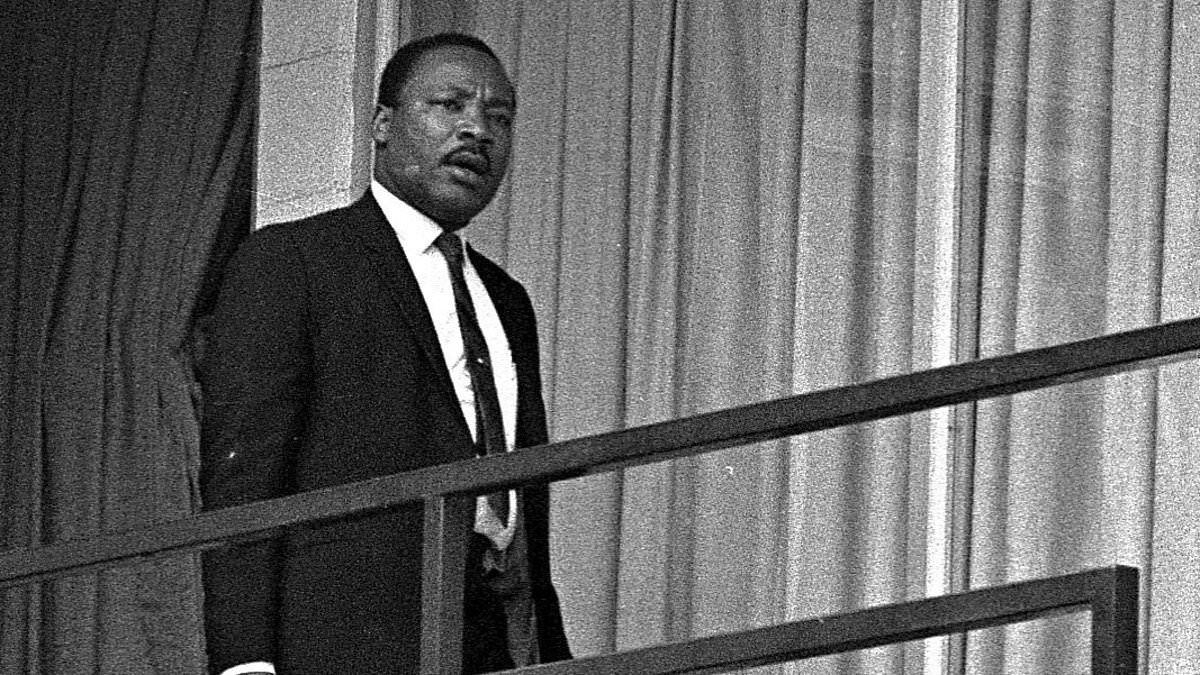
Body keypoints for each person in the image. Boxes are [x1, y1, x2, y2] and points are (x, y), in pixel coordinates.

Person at [199, 32, 571, 675]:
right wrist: (245, 663)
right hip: (354, 648)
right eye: (449, 105)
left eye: (499, 116)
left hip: (499, 647)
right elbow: (245, 479)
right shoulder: (294, 262)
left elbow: (522, 526)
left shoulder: (508, 301)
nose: (477, 130)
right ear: (382, 125)